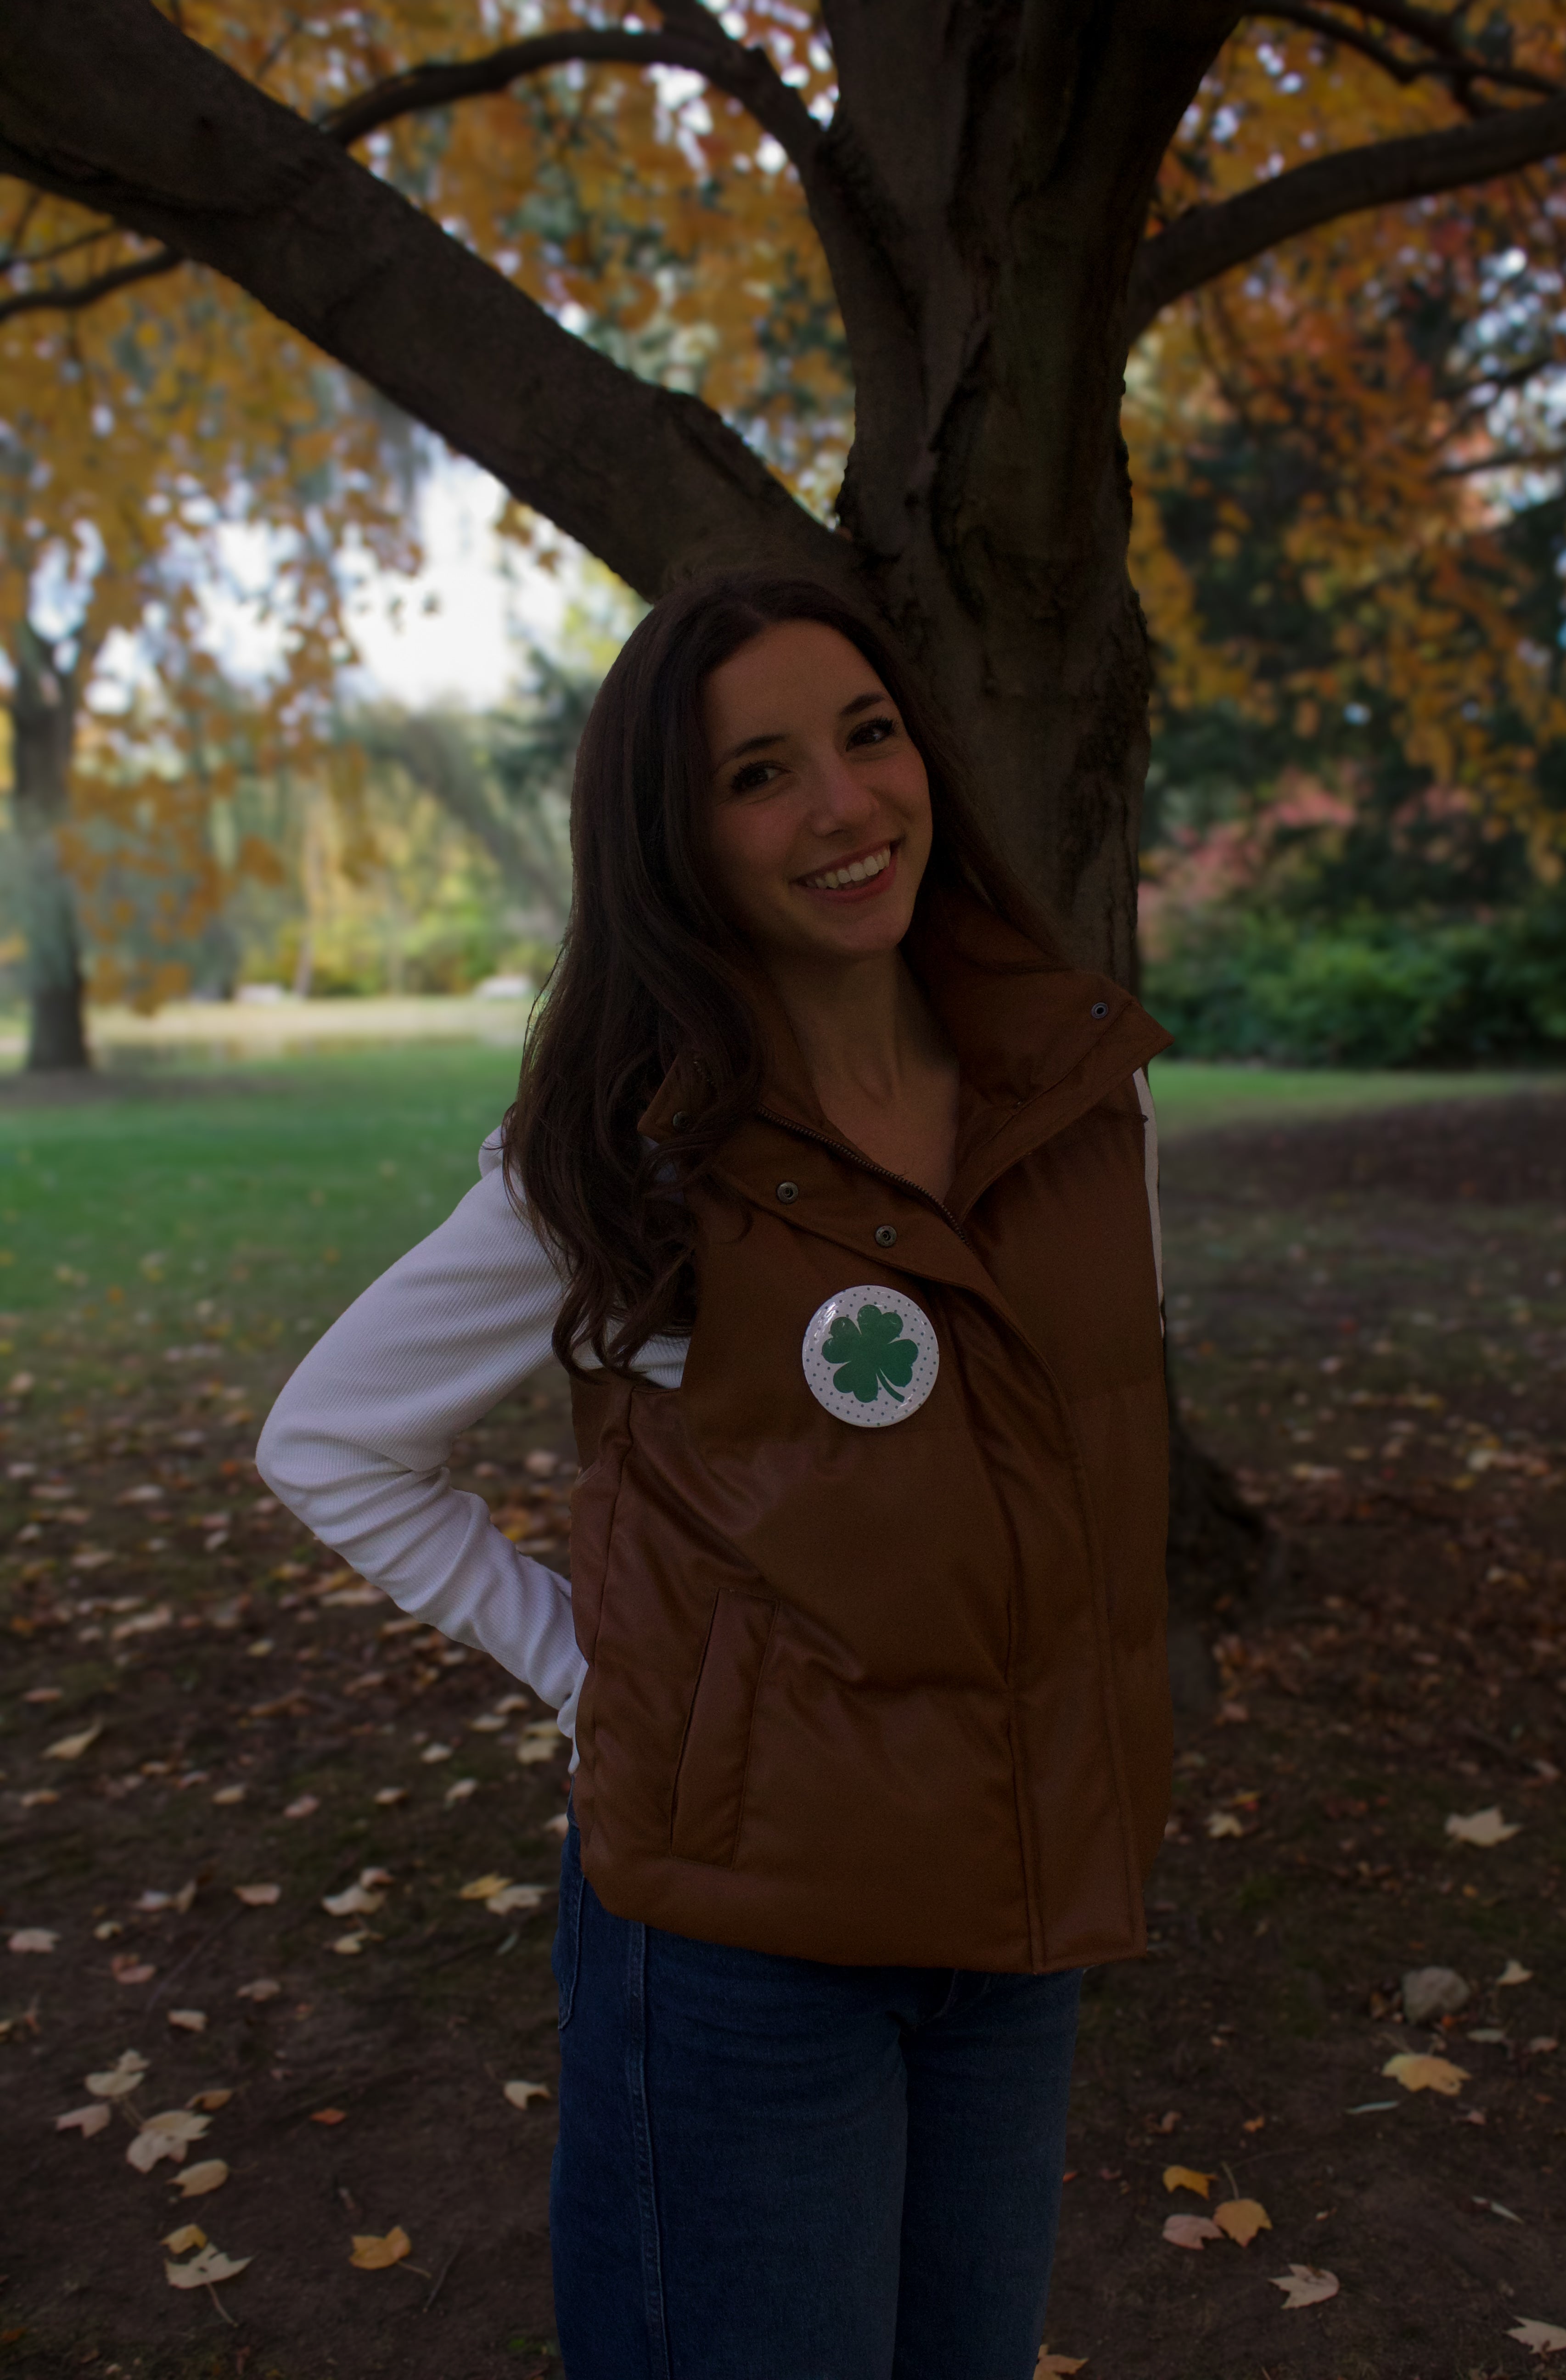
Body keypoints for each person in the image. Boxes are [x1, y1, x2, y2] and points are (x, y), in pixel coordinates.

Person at [256, 572, 1173, 2380]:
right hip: (744, 1963)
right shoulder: (632, 1156)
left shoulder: (1082, 1095)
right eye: (759, 775)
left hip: (1021, 1925)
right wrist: (597, 1675)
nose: (843, 805)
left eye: (868, 736)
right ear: (673, 841)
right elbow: (337, 1443)